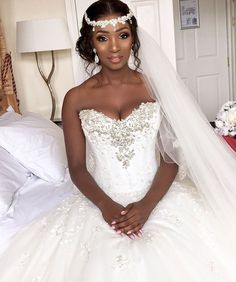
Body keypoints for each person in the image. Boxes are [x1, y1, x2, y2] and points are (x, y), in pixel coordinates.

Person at [0, 0, 236, 281]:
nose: (114, 47)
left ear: (133, 38)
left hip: (156, 195)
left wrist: (147, 206)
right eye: (103, 38)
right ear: (90, 44)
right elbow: (76, 167)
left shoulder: (155, 87)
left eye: (122, 35)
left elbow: (171, 157)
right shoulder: (75, 98)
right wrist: (105, 206)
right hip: (102, 200)